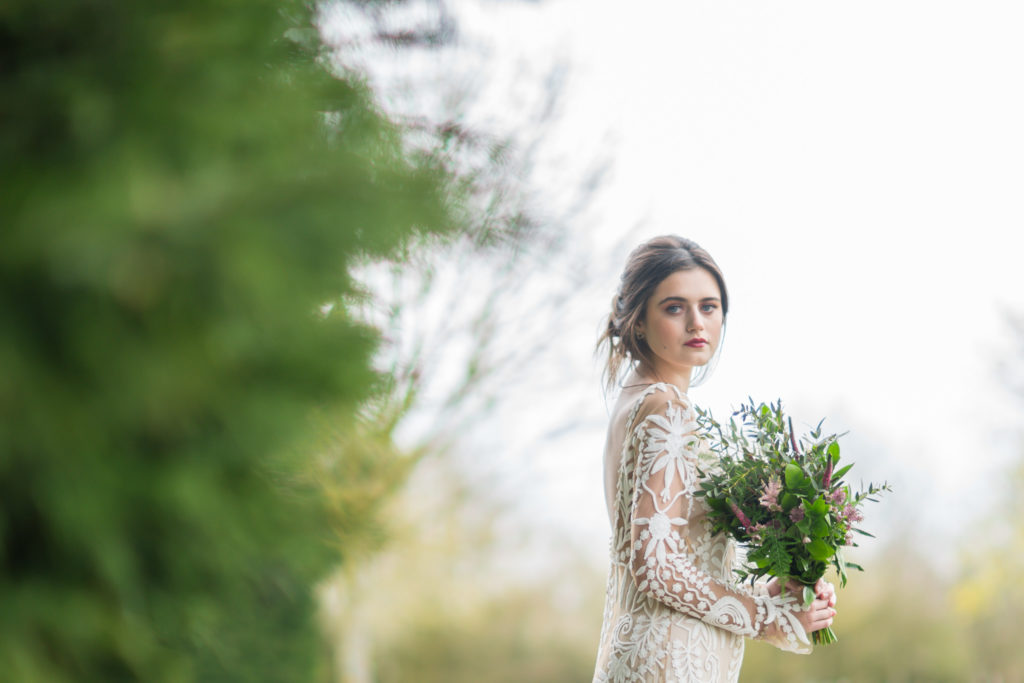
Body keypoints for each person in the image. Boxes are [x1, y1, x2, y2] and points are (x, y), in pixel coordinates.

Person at [592, 236, 837, 682]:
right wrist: (767, 618)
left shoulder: (633, 400)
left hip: (650, 652)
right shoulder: (667, 407)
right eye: (674, 308)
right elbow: (658, 569)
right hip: (671, 661)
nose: (695, 323)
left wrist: (770, 591)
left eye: (709, 306)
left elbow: (676, 558)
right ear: (639, 320)